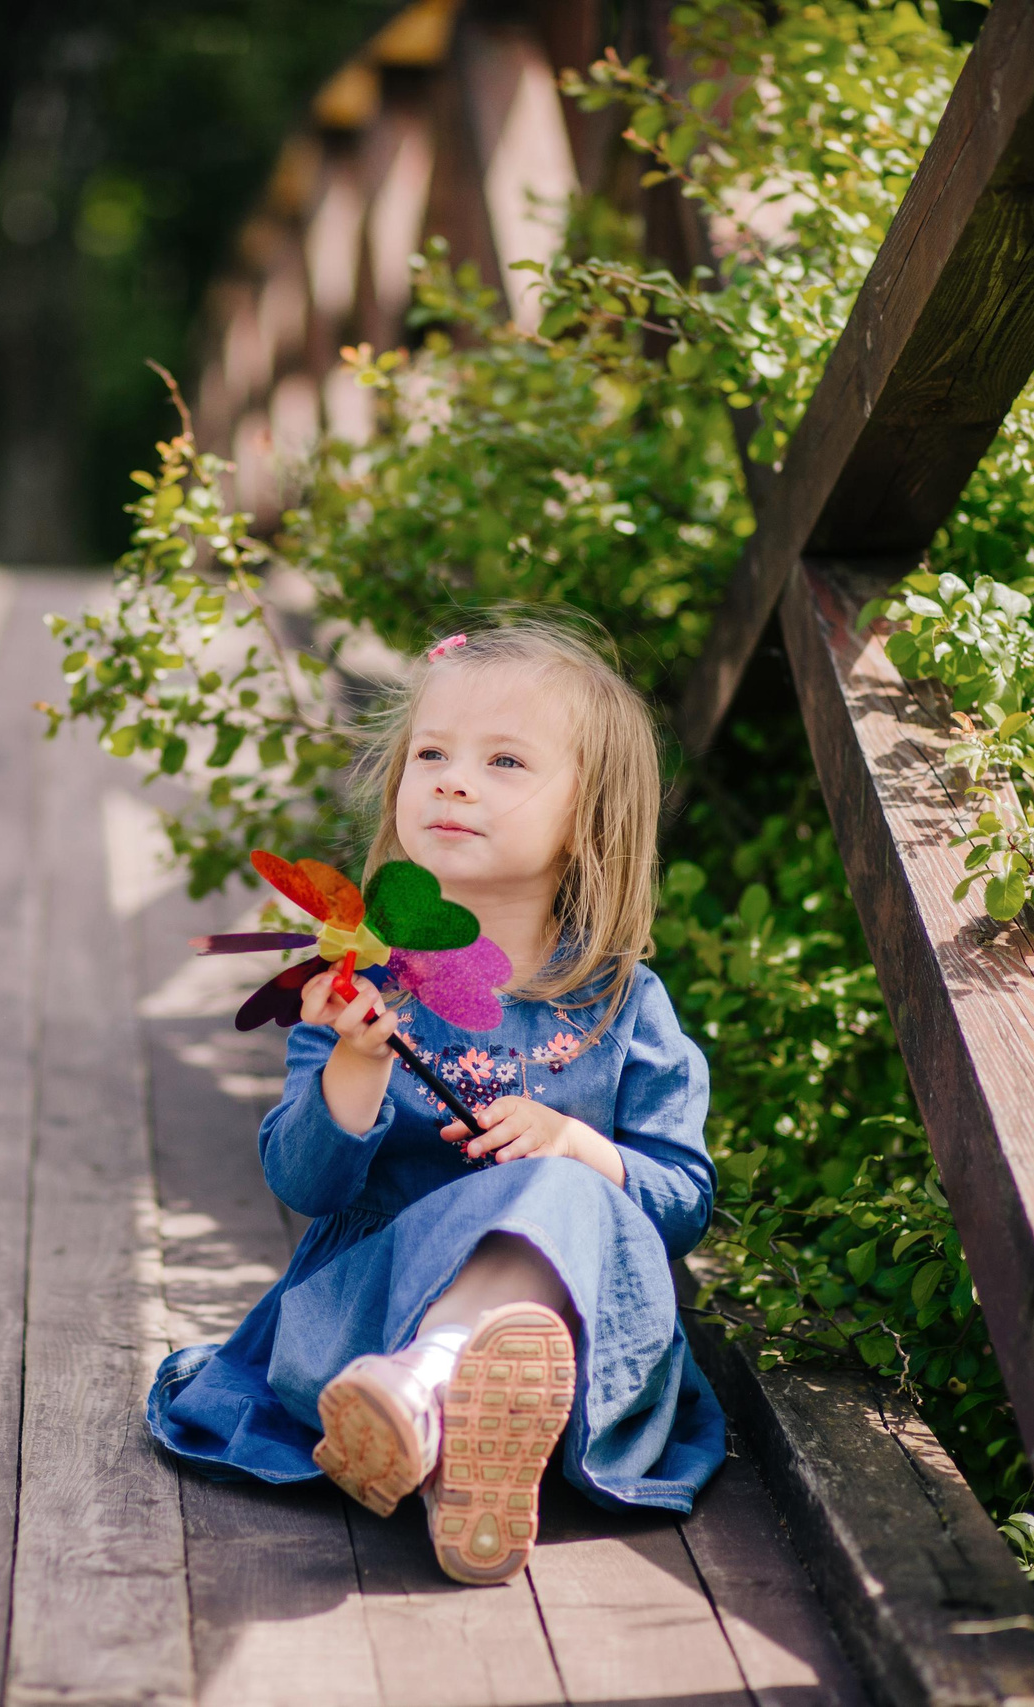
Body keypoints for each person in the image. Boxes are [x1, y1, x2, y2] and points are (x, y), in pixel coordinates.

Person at [147, 619, 724, 1586]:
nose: (454, 779)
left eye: (505, 759)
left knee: (567, 1188)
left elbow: (681, 1202)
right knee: (551, 1195)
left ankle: (438, 1424)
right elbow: (303, 1184)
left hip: (571, 1344)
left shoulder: (627, 1006)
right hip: (367, 1315)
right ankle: (440, 1399)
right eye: (432, 754)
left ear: (589, 818)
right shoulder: (364, 985)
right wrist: (355, 1066)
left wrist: (580, 1146)